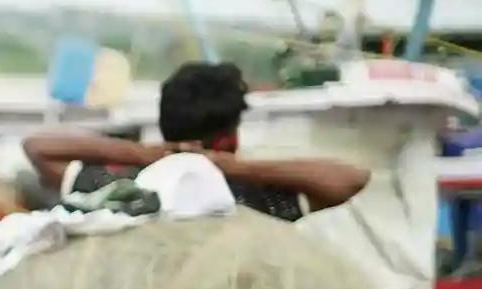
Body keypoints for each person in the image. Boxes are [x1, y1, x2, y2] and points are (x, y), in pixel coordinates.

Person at [24, 60, 370, 220]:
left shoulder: (122, 188)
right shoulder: (249, 200)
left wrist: (142, 154)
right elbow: (351, 179)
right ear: (228, 139)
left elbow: (37, 148)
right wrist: (236, 168)